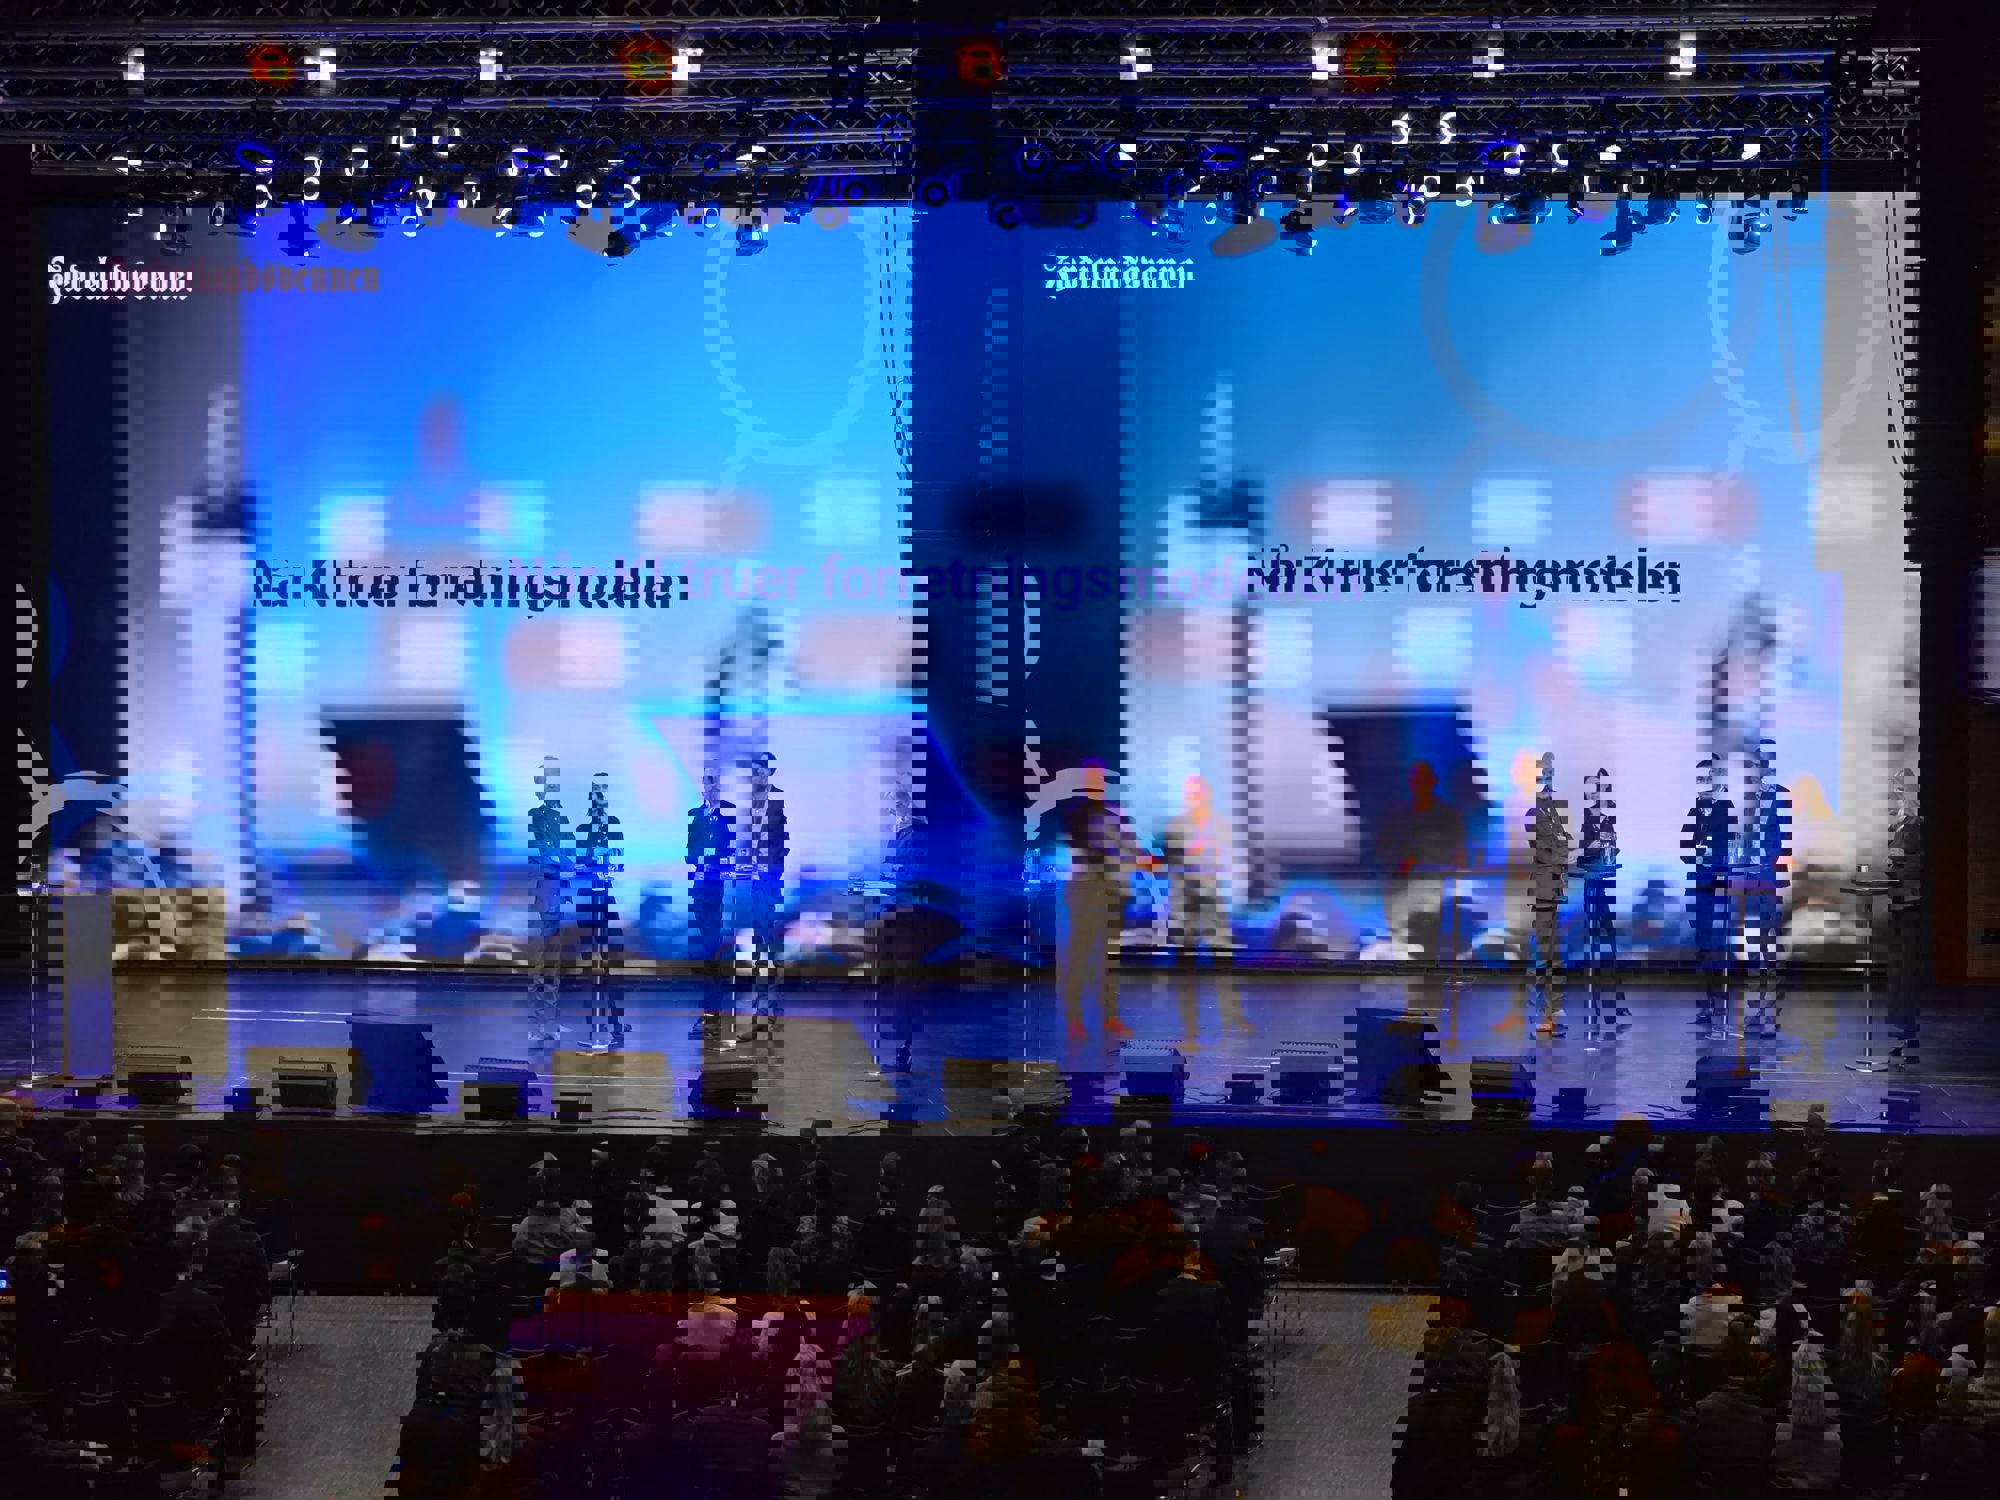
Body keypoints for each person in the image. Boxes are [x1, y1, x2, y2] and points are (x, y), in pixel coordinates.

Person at [1037, 762, 1156, 1042]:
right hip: (1084, 891)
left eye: (1099, 777)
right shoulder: (1075, 813)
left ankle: (1109, 1017)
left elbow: (1130, 844)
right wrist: (1130, 859)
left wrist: (1147, 859)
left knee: (1108, 957)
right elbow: (1093, 850)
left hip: (1114, 892)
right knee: (1078, 956)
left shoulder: (1115, 813)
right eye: (1090, 777)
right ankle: (1073, 1019)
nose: (1096, 782)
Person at [1159, 773, 1249, 1040]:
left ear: (1206, 794)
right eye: (1191, 792)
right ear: (1186, 796)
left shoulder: (1218, 824)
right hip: (1184, 899)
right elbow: (1167, 859)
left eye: (1199, 792)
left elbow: (1230, 856)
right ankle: (1188, 1027)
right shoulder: (1175, 825)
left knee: (1223, 956)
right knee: (1185, 961)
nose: (1195, 797)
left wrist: (1219, 857)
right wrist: (1189, 851)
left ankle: (1232, 1017)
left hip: (1210, 896)